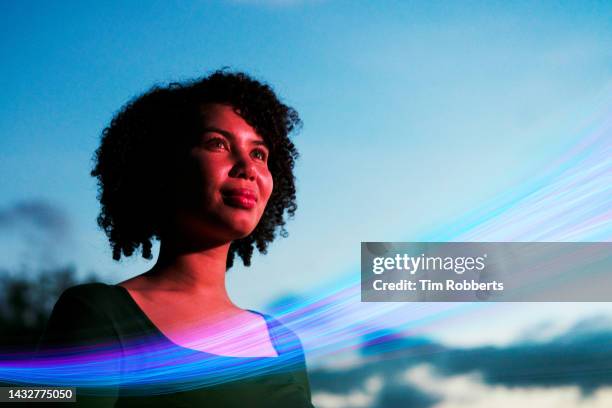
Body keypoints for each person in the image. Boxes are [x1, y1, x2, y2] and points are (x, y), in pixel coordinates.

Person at [36, 70, 315, 407]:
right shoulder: (99, 315)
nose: (247, 167)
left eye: (259, 154)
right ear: (162, 165)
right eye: (218, 144)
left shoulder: (284, 344)